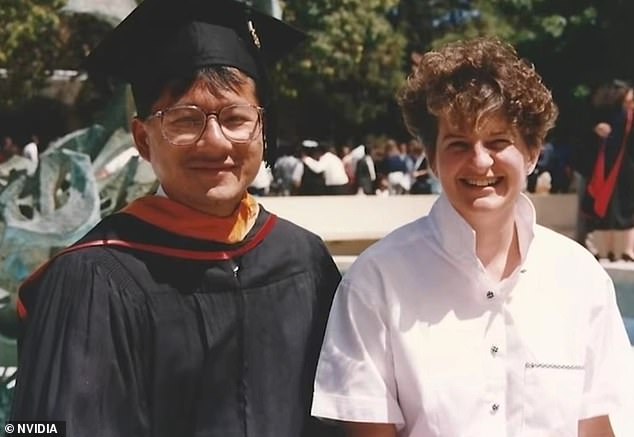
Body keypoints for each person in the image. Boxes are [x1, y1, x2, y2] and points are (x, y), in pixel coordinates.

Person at [10, 1, 342, 436]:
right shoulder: (92, 279)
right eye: (184, 120)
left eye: (236, 118)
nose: (215, 142)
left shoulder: (304, 259)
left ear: (263, 129)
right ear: (143, 140)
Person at [312, 37, 634, 437]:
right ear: (431, 158)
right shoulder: (376, 282)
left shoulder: (581, 279)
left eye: (499, 142)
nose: (480, 161)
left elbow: (600, 427)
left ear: (532, 153)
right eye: (459, 144)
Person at [580, 79, 634, 262]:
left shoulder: (626, 116)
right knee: (607, 211)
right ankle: (605, 250)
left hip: (623, 170)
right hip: (603, 171)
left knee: (622, 211)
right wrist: (597, 132)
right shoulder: (601, 116)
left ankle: (624, 250)